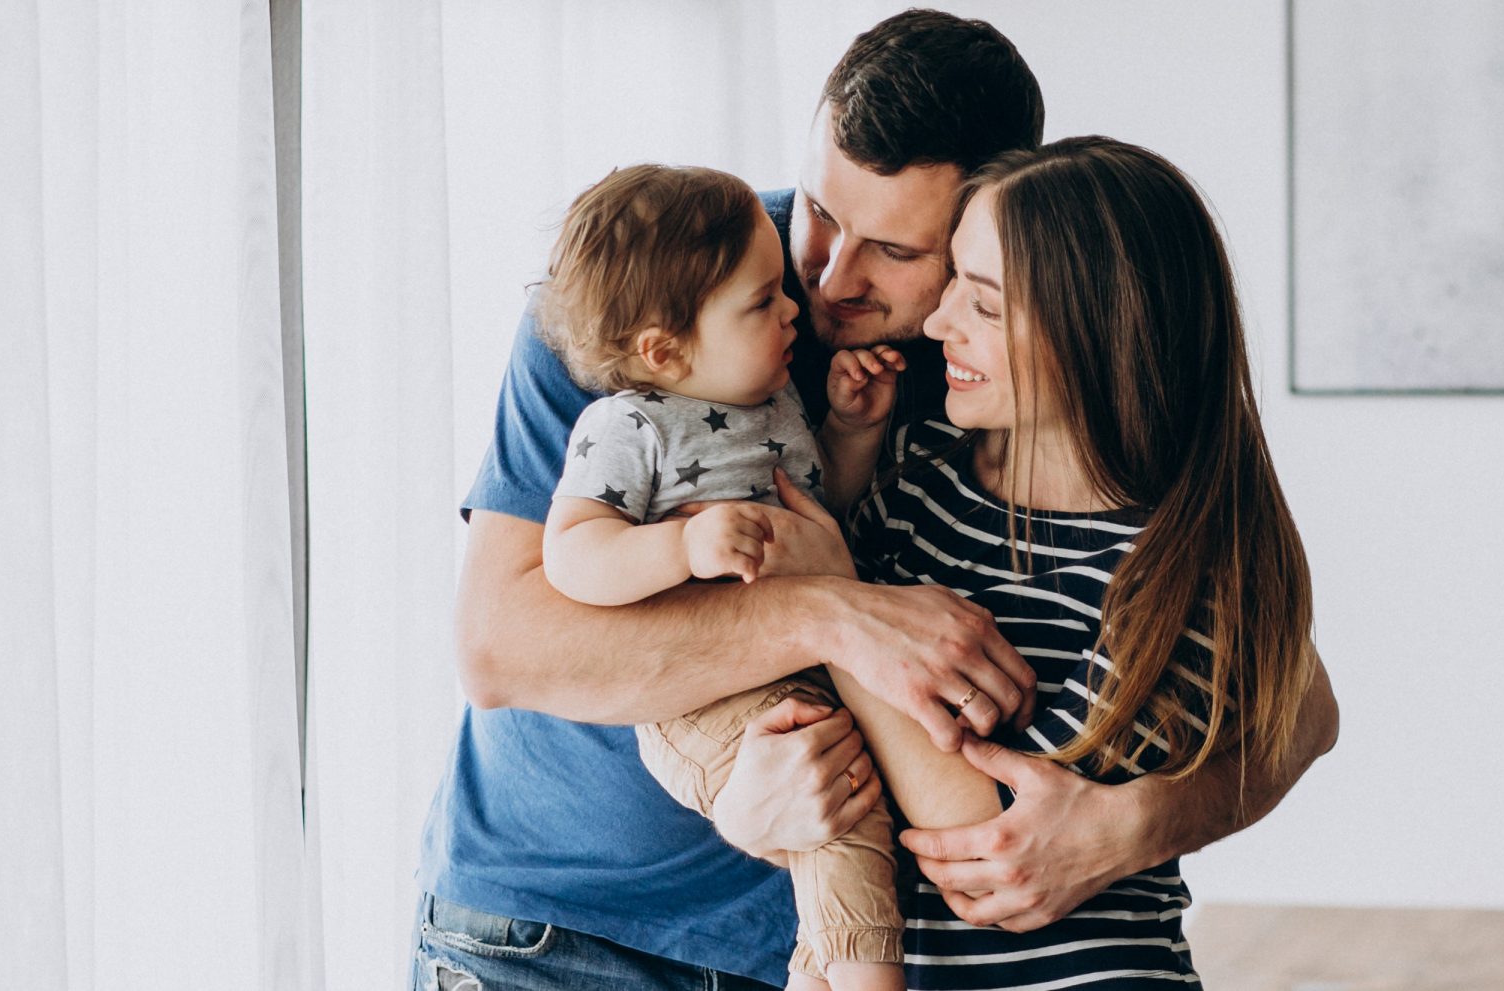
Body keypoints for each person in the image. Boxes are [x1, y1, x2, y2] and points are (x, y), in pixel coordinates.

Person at [420, 11, 1339, 991]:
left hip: (822, 947)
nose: (827, 272)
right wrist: (835, 614)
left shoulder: (993, 359)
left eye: (897, 251)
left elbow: (1298, 702)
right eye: (818, 208)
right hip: (566, 929)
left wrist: (1143, 821)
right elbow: (499, 646)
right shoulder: (654, 287)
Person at [736, 134, 1321, 988]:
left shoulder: (1178, 565)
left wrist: (835, 605)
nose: (938, 326)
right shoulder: (919, 483)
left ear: (1098, 332)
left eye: (982, 302)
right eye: (950, 289)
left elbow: (986, 837)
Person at [536, 162, 912, 991]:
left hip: (790, 676)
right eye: (761, 302)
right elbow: (572, 554)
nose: (792, 312)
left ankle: (819, 974)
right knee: (847, 823)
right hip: (699, 702)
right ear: (664, 349)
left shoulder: (774, 404)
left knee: (854, 814)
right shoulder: (626, 425)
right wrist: (683, 550)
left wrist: (850, 431)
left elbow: (822, 519)